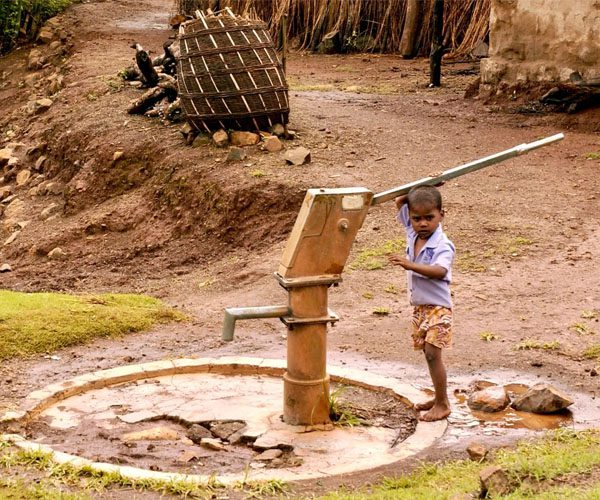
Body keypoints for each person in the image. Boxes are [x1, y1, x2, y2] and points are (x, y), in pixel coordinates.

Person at [388, 185, 455, 422]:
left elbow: (439, 270)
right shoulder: (412, 233)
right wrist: (425, 188)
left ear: (441, 215)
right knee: (427, 354)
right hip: (420, 307)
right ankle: (438, 398)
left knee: (432, 354)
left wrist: (409, 265)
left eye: (430, 217)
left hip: (438, 307)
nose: (423, 223)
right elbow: (399, 201)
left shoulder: (442, 244)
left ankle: (443, 404)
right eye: (417, 218)